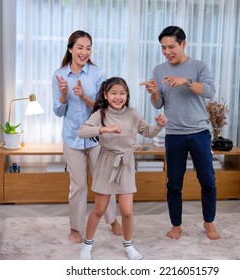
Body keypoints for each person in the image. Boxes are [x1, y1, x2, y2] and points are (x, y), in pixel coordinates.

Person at [140, 26, 220, 241]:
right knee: (174, 183)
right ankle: (176, 225)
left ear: (183, 44)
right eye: (163, 48)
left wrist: (187, 81)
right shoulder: (158, 70)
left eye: (171, 47)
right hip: (174, 134)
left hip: (200, 132)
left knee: (208, 181)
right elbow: (159, 105)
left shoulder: (199, 66)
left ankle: (209, 222)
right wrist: (154, 92)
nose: (167, 51)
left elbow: (210, 92)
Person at [78, 77, 167, 260]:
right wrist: (105, 129)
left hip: (126, 163)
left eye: (122, 93)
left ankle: (129, 245)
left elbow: (147, 132)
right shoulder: (100, 114)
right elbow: (82, 131)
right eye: (113, 93)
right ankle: (87, 245)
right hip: (106, 162)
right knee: (99, 209)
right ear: (105, 95)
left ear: (127, 95)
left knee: (127, 211)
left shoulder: (133, 114)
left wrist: (158, 125)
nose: (118, 97)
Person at [52, 30, 122, 244]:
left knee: (104, 181)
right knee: (79, 185)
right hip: (72, 138)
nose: (84, 52)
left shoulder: (97, 73)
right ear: (70, 48)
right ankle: (75, 228)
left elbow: (104, 107)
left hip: (95, 138)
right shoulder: (59, 74)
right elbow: (58, 111)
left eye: (88, 48)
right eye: (80, 47)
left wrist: (83, 96)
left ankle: (112, 220)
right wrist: (64, 95)